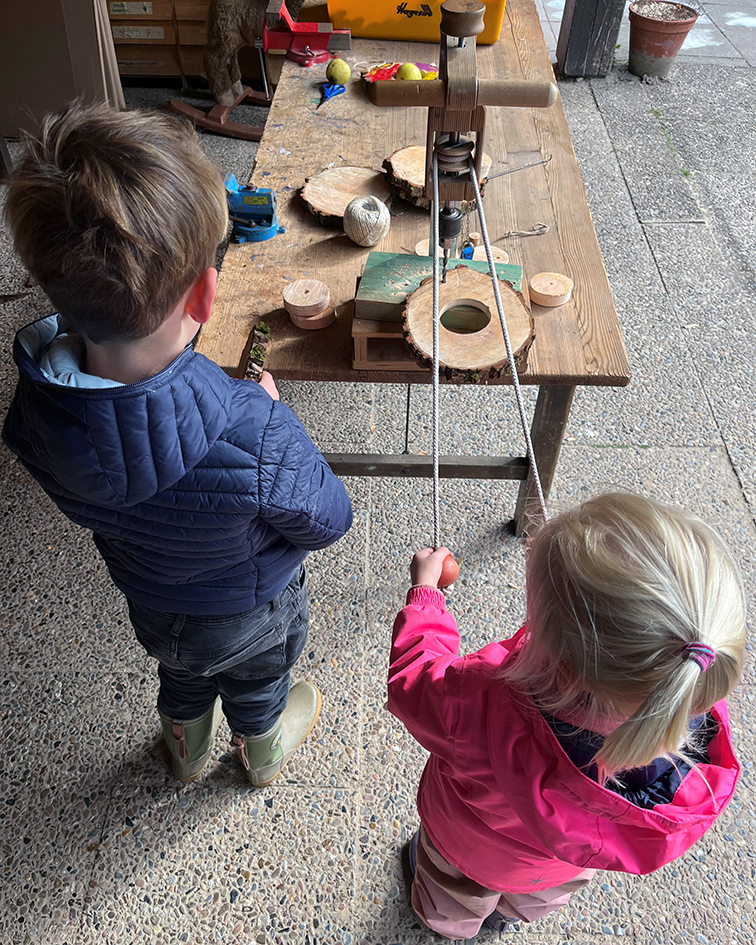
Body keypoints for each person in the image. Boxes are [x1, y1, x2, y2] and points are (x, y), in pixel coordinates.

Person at [2, 102, 353, 787]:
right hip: (251, 608)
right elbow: (328, 518)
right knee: (257, 683)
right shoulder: (253, 427)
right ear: (205, 296)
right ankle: (262, 748)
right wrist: (277, 421)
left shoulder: (37, 412)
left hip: (154, 605)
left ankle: (186, 749)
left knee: (183, 675)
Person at [388, 493, 745, 942]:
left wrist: (426, 598)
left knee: (452, 890)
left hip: (468, 843)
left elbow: (415, 680)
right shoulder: (689, 694)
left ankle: (448, 924)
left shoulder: (482, 699)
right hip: (560, 866)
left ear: (557, 661)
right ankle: (507, 914)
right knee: (538, 892)